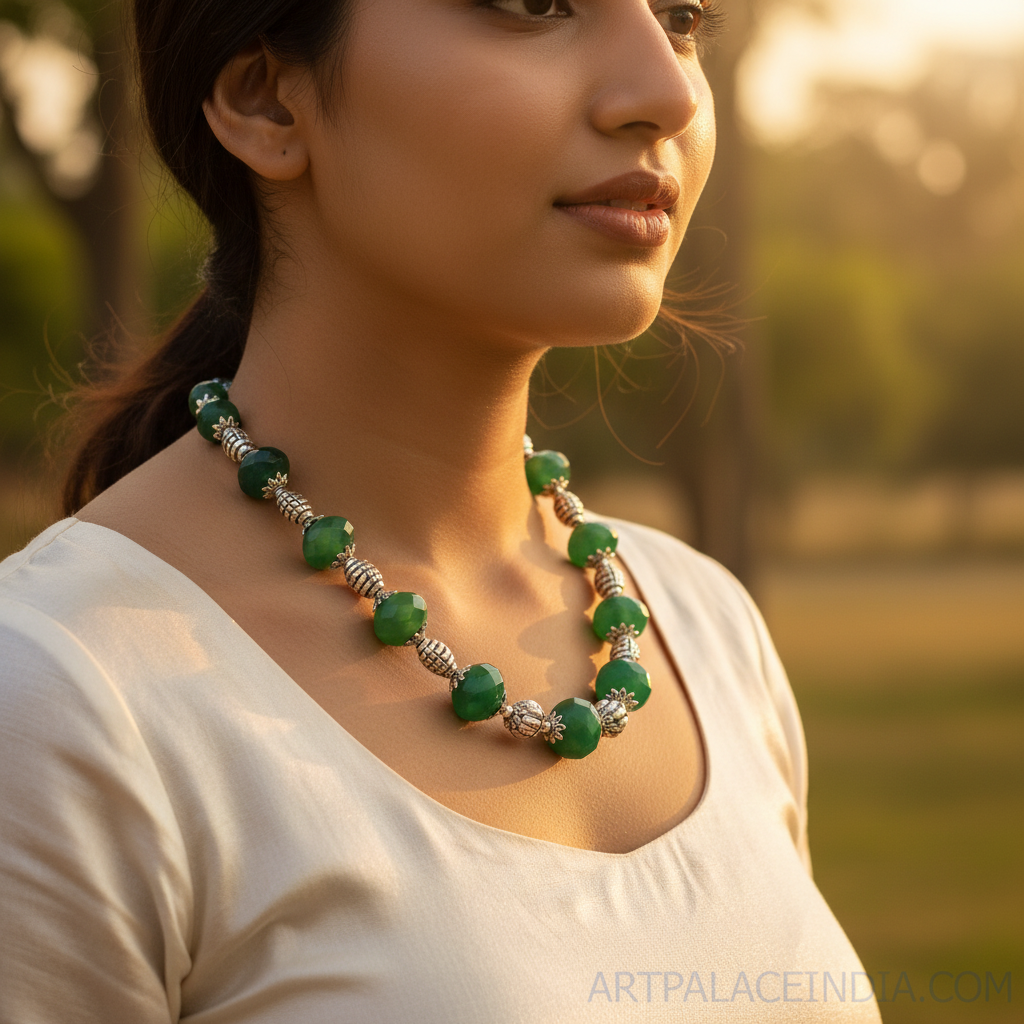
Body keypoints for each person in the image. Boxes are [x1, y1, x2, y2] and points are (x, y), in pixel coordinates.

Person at [0, 0, 881, 1020]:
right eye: (536, 5)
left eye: (681, 16)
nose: (668, 93)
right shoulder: (61, 698)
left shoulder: (702, 626)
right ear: (266, 101)